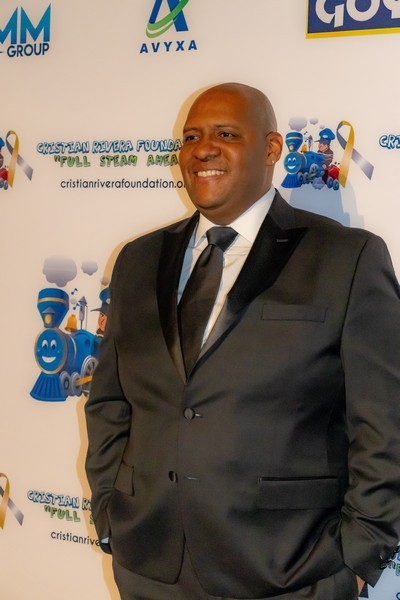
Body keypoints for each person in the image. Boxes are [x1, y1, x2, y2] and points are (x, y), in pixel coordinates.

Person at [85, 82, 400, 600]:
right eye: (191, 137)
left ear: (272, 149)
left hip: (291, 572)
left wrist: (359, 555)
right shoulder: (137, 260)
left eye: (226, 134)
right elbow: (110, 401)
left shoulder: (347, 257)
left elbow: (385, 423)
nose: (203, 149)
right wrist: (109, 511)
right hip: (149, 565)